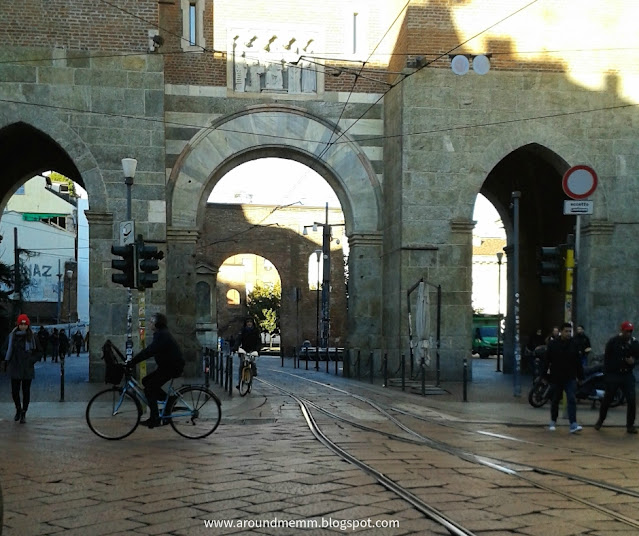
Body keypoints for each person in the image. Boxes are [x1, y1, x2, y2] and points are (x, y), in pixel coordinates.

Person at [127, 313, 185, 428]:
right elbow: (150, 350)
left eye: (151, 322)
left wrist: (133, 362)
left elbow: (149, 351)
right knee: (146, 381)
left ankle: (155, 418)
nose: (149, 324)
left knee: (149, 388)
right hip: (167, 366)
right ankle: (170, 401)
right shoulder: (161, 334)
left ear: (157, 323)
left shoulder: (162, 335)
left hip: (171, 367)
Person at [595, 321, 639, 434]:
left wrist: (633, 361)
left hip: (627, 375)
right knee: (608, 399)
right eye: (626, 331)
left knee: (631, 399)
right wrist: (607, 376)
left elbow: (637, 357)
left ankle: (630, 425)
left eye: (630, 331)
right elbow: (607, 359)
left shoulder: (634, 343)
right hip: (614, 375)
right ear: (622, 331)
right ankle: (601, 420)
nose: (628, 333)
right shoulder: (613, 342)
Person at [545, 322, 583, 433]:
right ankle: (553, 420)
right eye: (566, 331)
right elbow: (547, 360)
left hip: (570, 376)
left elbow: (578, 362)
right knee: (555, 399)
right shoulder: (553, 344)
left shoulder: (574, 344)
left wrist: (580, 377)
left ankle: (573, 423)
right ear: (561, 332)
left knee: (571, 398)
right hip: (556, 376)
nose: (568, 333)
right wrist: (544, 375)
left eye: (570, 331)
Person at [2, 314, 40, 424]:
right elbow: (4, 349)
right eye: (21, 324)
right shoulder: (11, 336)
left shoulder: (32, 337)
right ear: (18, 324)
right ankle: (18, 409)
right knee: (15, 391)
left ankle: (24, 412)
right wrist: (9, 357)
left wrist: (31, 360)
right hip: (15, 366)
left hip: (27, 368)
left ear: (28, 325)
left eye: (25, 324)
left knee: (26, 391)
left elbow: (39, 351)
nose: (23, 326)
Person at [233, 317, 260, 389]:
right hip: (244, 350)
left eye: (250, 322)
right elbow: (239, 339)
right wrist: (235, 347)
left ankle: (252, 375)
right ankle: (240, 383)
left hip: (252, 350)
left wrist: (257, 350)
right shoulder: (242, 331)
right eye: (248, 322)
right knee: (242, 366)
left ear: (252, 323)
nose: (249, 323)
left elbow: (258, 341)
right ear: (246, 323)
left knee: (252, 363)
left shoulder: (256, 331)